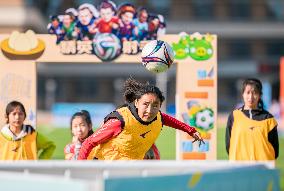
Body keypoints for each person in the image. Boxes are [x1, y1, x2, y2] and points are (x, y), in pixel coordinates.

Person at [78, 78, 203, 160]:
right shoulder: (119, 121)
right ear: (137, 102)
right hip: (103, 167)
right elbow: (88, 143)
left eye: (155, 106)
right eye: (146, 104)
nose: (150, 110)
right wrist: (80, 169)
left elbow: (173, 122)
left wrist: (191, 131)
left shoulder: (158, 117)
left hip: (130, 171)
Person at [226, 78, 279, 161]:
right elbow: (228, 145)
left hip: (263, 169)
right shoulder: (234, 116)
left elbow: (275, 151)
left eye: (254, 93)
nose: (250, 97)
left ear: (260, 95)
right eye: (247, 93)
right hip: (238, 168)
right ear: (242, 94)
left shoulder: (268, 119)